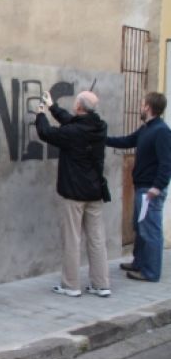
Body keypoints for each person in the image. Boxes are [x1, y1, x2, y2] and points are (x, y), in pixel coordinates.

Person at [36, 90, 111, 297]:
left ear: (79, 107)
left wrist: (41, 113)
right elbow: (71, 122)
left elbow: (46, 133)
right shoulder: (100, 126)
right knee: (96, 239)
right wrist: (53, 107)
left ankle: (71, 285)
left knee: (72, 239)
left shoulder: (74, 132)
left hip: (74, 194)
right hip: (95, 192)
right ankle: (101, 284)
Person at [106, 92, 171, 282]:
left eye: (142, 104)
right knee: (140, 228)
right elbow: (126, 141)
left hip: (150, 191)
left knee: (151, 231)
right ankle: (139, 263)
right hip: (142, 188)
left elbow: (166, 163)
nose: (140, 107)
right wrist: (101, 138)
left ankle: (150, 272)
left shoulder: (162, 131)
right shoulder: (146, 129)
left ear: (148, 107)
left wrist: (157, 187)